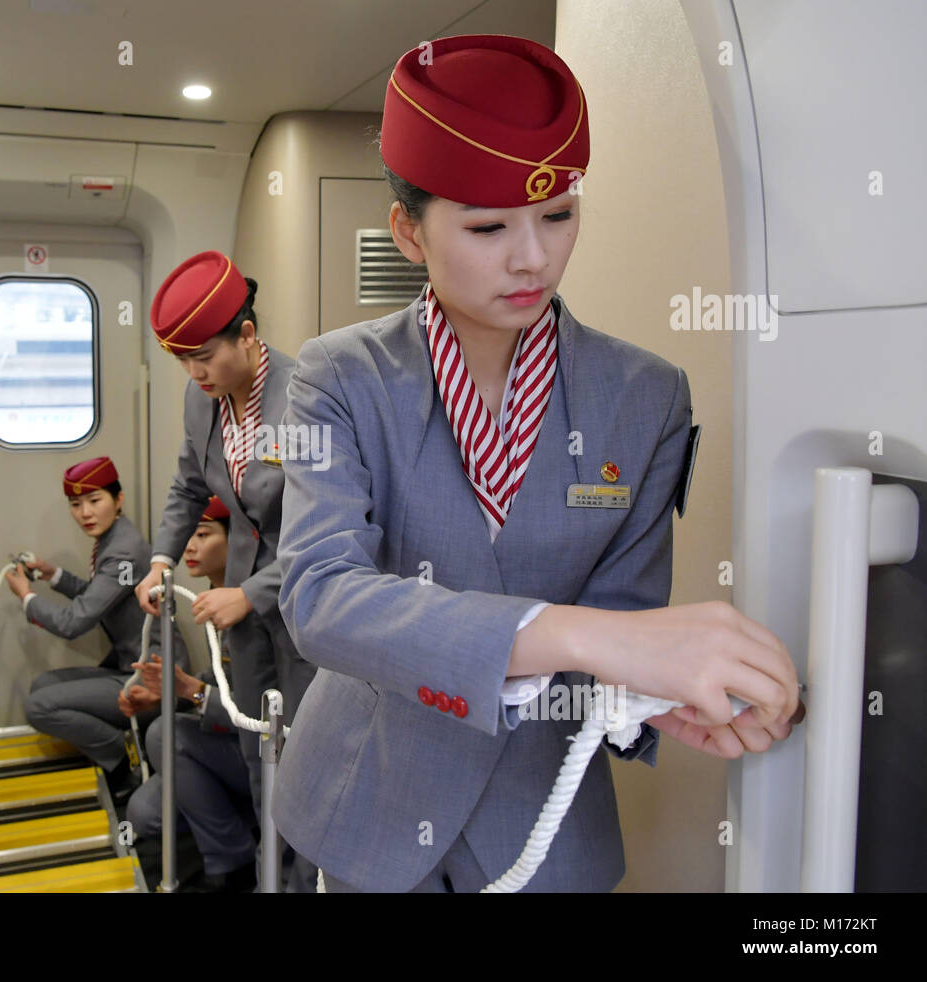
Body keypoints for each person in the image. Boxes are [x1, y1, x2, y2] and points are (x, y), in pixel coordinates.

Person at [272, 34, 802, 893]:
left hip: (546, 813)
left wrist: (650, 699)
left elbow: (622, 617)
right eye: (488, 227)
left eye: (558, 215)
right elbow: (321, 597)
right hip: (371, 797)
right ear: (408, 231)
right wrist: (591, 637)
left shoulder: (646, 396)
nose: (534, 259)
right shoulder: (343, 376)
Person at [134, 250, 318, 891]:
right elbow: (189, 485)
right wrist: (160, 560)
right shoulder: (201, 400)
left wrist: (251, 593)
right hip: (242, 600)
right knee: (252, 745)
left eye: (204, 356)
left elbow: (323, 526)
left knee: (301, 753)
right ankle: (268, 871)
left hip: (303, 600)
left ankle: (302, 882)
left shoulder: (306, 398)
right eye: (183, 360)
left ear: (247, 333)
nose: (194, 373)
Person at [9, 456, 167, 803]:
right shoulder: (115, 538)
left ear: (118, 499)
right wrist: (54, 576)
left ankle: (128, 760)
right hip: (129, 664)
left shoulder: (122, 550)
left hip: (152, 676)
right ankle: (127, 744)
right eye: (76, 504)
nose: (85, 513)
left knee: (40, 707)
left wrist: (26, 598)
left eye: (95, 501)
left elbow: (74, 623)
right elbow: (100, 598)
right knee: (43, 685)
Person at [122, 496, 258, 892]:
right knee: (141, 814)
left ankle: (233, 860)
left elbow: (257, 711)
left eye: (203, 535)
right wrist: (174, 690)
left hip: (260, 749)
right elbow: (225, 677)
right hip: (224, 738)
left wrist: (191, 692)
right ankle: (233, 819)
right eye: (188, 536)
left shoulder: (247, 607)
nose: (190, 547)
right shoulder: (214, 597)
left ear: (238, 542)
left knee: (163, 734)